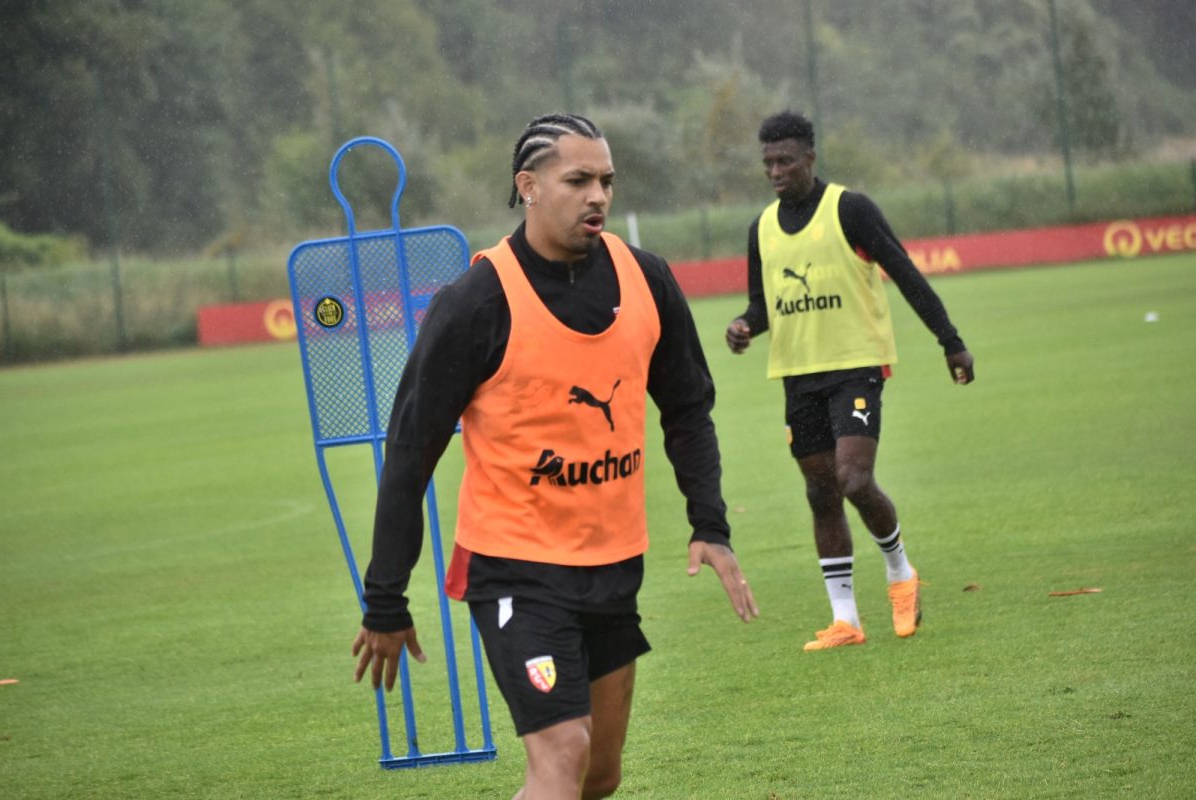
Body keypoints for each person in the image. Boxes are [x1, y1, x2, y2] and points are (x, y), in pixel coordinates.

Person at [352, 113, 759, 799]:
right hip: (515, 571)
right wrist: (385, 599)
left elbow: (688, 410)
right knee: (563, 756)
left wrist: (709, 524)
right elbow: (410, 453)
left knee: (599, 775)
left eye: (606, 180)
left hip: (611, 565)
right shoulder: (476, 302)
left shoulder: (648, 280)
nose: (597, 195)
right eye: (578, 180)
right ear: (529, 185)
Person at [725, 110, 973, 652]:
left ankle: (901, 574)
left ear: (810, 158)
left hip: (856, 364)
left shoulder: (850, 209)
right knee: (820, 492)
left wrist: (949, 340)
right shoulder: (761, 229)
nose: (775, 171)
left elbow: (905, 273)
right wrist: (745, 326)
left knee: (854, 480)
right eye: (767, 162)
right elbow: (762, 307)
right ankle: (845, 620)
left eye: (785, 160)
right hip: (797, 373)